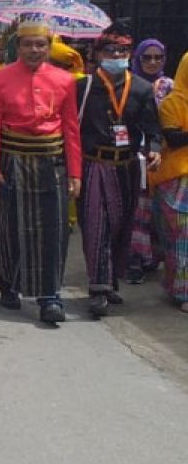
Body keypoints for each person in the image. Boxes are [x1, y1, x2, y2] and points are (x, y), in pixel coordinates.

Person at [0, 22, 82, 325]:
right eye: (28, 44)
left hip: (52, 163)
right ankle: (9, 283)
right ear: (18, 46)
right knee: (9, 226)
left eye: (40, 44)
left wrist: (75, 172)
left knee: (54, 229)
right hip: (12, 161)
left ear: (48, 47)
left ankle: (50, 296)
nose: (34, 50)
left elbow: (71, 129)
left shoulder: (65, 80)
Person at [76, 30, 161, 316]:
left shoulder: (140, 88)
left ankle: (111, 279)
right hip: (94, 164)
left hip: (127, 165)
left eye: (122, 52)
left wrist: (155, 148)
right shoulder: (83, 87)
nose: (116, 57)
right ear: (98, 55)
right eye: (110, 51)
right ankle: (97, 287)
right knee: (95, 224)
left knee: (121, 226)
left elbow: (151, 128)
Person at [127, 38, 174, 282]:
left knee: (159, 212)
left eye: (158, 57)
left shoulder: (170, 87)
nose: (153, 62)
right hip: (135, 154)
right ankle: (136, 258)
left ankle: (155, 257)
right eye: (147, 57)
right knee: (138, 209)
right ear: (138, 58)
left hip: (165, 156)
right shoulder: (128, 84)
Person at [151, 52, 188, 311]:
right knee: (182, 238)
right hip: (178, 180)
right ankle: (182, 291)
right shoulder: (173, 103)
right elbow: (174, 139)